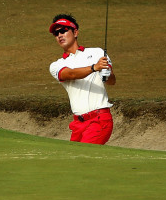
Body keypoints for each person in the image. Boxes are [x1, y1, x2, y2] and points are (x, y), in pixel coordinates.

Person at [48, 13, 116, 144]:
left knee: (83, 158)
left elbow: (112, 81)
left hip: (99, 119)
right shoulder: (56, 65)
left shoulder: (97, 52)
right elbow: (70, 74)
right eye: (56, 34)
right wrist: (94, 68)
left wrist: (108, 75)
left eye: (63, 30)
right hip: (77, 124)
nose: (60, 35)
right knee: (74, 162)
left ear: (75, 32)